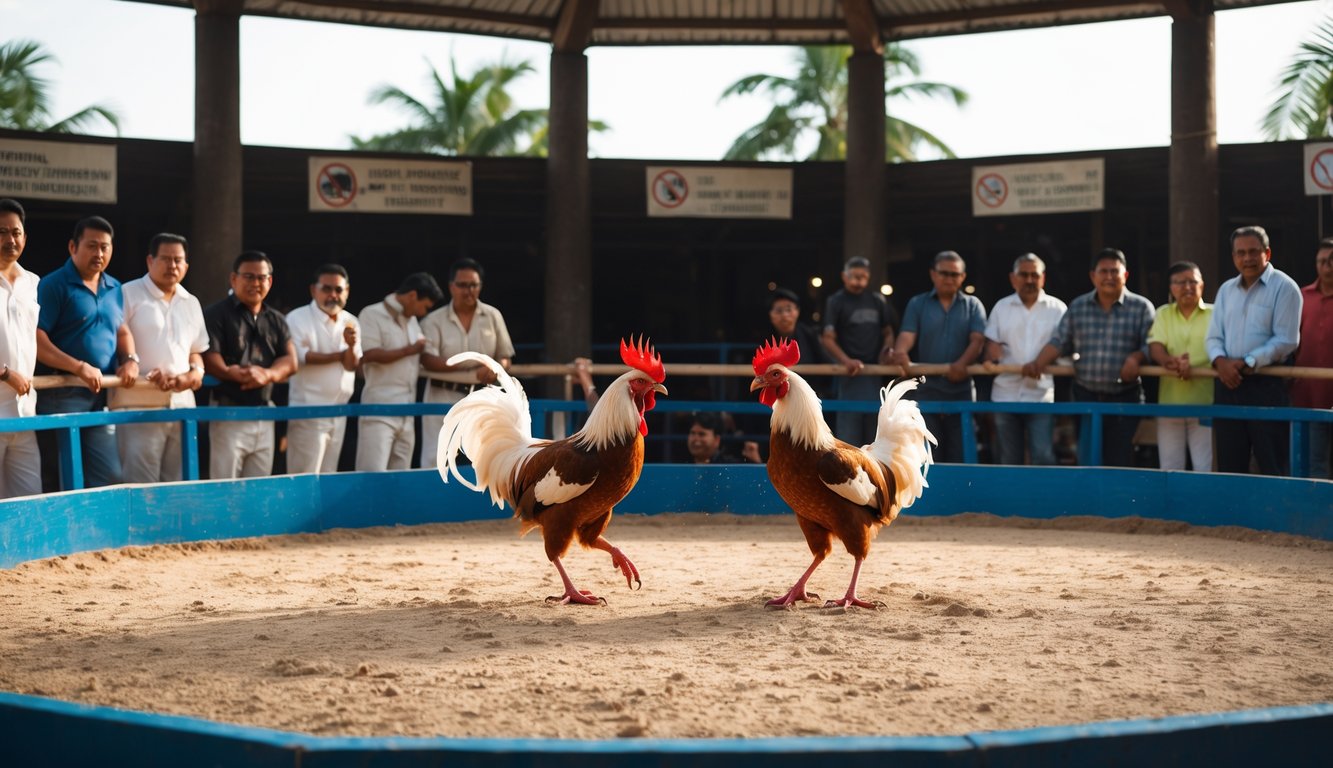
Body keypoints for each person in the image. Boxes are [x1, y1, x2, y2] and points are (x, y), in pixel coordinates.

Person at [35, 215, 139, 489]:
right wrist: (78, 367)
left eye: (105, 247)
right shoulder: (53, 284)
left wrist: (129, 359)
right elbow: (36, 339)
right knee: (62, 476)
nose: (99, 253)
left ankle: (97, 532)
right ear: (72, 247)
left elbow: (122, 330)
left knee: (110, 475)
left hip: (101, 394)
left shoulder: (114, 287)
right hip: (61, 392)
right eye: (92, 246)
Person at [1028, 248, 1155, 467]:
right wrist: (1038, 362)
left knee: (1119, 462)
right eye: (1103, 271)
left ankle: (1113, 502)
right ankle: (1089, 502)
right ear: (1092, 276)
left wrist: (1136, 358)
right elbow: (1060, 341)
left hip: (1125, 398)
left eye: (1114, 271)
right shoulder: (1078, 306)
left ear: (1125, 275)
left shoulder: (1141, 307)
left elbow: (1152, 346)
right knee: (1087, 459)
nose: (1108, 277)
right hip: (1085, 396)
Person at [1205, 226, 1302, 476]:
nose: (1247, 258)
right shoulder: (1226, 290)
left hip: (1266, 384)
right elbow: (1213, 336)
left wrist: (1249, 361)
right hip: (1228, 383)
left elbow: (1287, 340)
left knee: (1272, 463)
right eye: (1240, 253)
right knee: (1229, 462)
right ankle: (1231, 517)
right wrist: (1220, 361)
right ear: (1234, 256)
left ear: (1267, 253)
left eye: (1253, 251)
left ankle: (1275, 515)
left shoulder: (1286, 288)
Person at [115, 233, 208, 483]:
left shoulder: (192, 301)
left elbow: (196, 351)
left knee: (179, 484)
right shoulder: (127, 293)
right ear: (149, 261)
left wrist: (194, 374)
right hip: (139, 405)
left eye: (178, 260)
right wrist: (132, 362)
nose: (172, 265)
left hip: (182, 405)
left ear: (186, 265)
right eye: (165, 259)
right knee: (140, 485)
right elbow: (115, 342)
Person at [202, 251, 298, 479]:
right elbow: (209, 356)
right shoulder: (216, 314)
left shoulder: (276, 320)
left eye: (261, 277)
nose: (256, 283)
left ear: (270, 281)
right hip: (228, 413)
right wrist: (229, 372)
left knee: (259, 489)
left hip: (265, 412)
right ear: (233, 279)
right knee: (225, 487)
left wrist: (267, 374)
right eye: (248, 277)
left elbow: (291, 361)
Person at [418, 258, 514, 469]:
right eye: (462, 285)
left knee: (487, 460)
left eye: (473, 285)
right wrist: (472, 361)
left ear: (480, 286)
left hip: (484, 397)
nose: (468, 290)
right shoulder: (434, 320)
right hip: (441, 395)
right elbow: (427, 360)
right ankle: (433, 501)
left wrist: (496, 368)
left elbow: (505, 356)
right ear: (451, 286)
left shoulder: (492, 316)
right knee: (435, 458)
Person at [892, 251, 987, 463]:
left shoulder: (973, 305)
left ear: (963, 277)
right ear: (933, 274)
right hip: (927, 390)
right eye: (944, 273)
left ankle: (964, 496)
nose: (949, 278)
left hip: (961, 391)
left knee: (961, 454)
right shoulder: (918, 304)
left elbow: (978, 340)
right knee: (927, 456)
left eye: (955, 274)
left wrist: (961, 365)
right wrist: (901, 353)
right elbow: (907, 336)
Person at [982, 253, 1067, 465]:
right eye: (1024, 275)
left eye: (1034, 275)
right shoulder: (1001, 307)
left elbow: (1065, 347)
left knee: (1043, 457)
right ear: (1013, 278)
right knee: (1008, 459)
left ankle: (1045, 499)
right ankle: (1009, 499)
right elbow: (990, 345)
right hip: (1005, 394)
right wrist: (990, 351)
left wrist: (1043, 361)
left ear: (1043, 278)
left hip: (1041, 395)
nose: (1029, 280)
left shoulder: (1058, 309)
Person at [355, 272, 443, 472]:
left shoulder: (412, 320)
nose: (424, 312)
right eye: (425, 307)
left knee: (400, 479)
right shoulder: (371, 314)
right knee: (372, 476)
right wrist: (409, 350)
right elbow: (368, 354)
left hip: (407, 412)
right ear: (412, 295)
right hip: (379, 410)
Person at [284, 264, 361, 475]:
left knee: (329, 477)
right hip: (308, 411)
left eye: (339, 290)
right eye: (327, 289)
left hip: (339, 411)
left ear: (347, 291)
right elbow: (302, 357)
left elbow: (352, 365)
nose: (333, 295)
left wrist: (351, 347)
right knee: (304, 478)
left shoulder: (351, 320)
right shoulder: (297, 318)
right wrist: (341, 354)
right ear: (313, 290)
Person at [821, 256, 899, 446]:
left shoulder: (877, 300)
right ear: (844, 276)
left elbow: (888, 332)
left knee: (876, 439)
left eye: (863, 276)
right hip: (849, 375)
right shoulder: (836, 301)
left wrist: (886, 350)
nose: (858, 281)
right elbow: (827, 338)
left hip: (874, 376)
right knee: (849, 439)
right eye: (854, 276)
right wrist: (845, 360)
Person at [1147, 261, 1213, 472]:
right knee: (1169, 468)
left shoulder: (1215, 314)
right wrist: (1170, 361)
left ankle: (1201, 507)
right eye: (1180, 282)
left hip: (1206, 403)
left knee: (1204, 468)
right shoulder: (1163, 313)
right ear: (1171, 287)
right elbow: (1155, 346)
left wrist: (1190, 365)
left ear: (1202, 285)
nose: (1187, 287)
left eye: (1192, 281)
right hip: (1170, 404)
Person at [0, 199, 41, 498]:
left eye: (16, 232)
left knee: (28, 499)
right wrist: (4, 373)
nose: (10, 240)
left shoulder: (32, 282)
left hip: (25, 410)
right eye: (1, 232)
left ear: (25, 237)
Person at [1291, 238, 1333, 479]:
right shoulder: (1302, 297)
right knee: (1314, 459)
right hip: (1309, 394)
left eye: (1331, 260)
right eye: (1321, 261)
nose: (1327, 266)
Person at [767, 287, 828, 398]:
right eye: (778, 311)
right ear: (770, 315)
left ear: (797, 312)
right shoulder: (764, 339)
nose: (784, 315)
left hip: (807, 397)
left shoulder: (810, 335)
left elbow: (826, 363)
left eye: (789, 309)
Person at [683, 412, 758, 464]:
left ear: (717, 440)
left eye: (701, 434)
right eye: (692, 433)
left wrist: (756, 462)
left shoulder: (730, 466)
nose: (696, 439)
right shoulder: (682, 466)